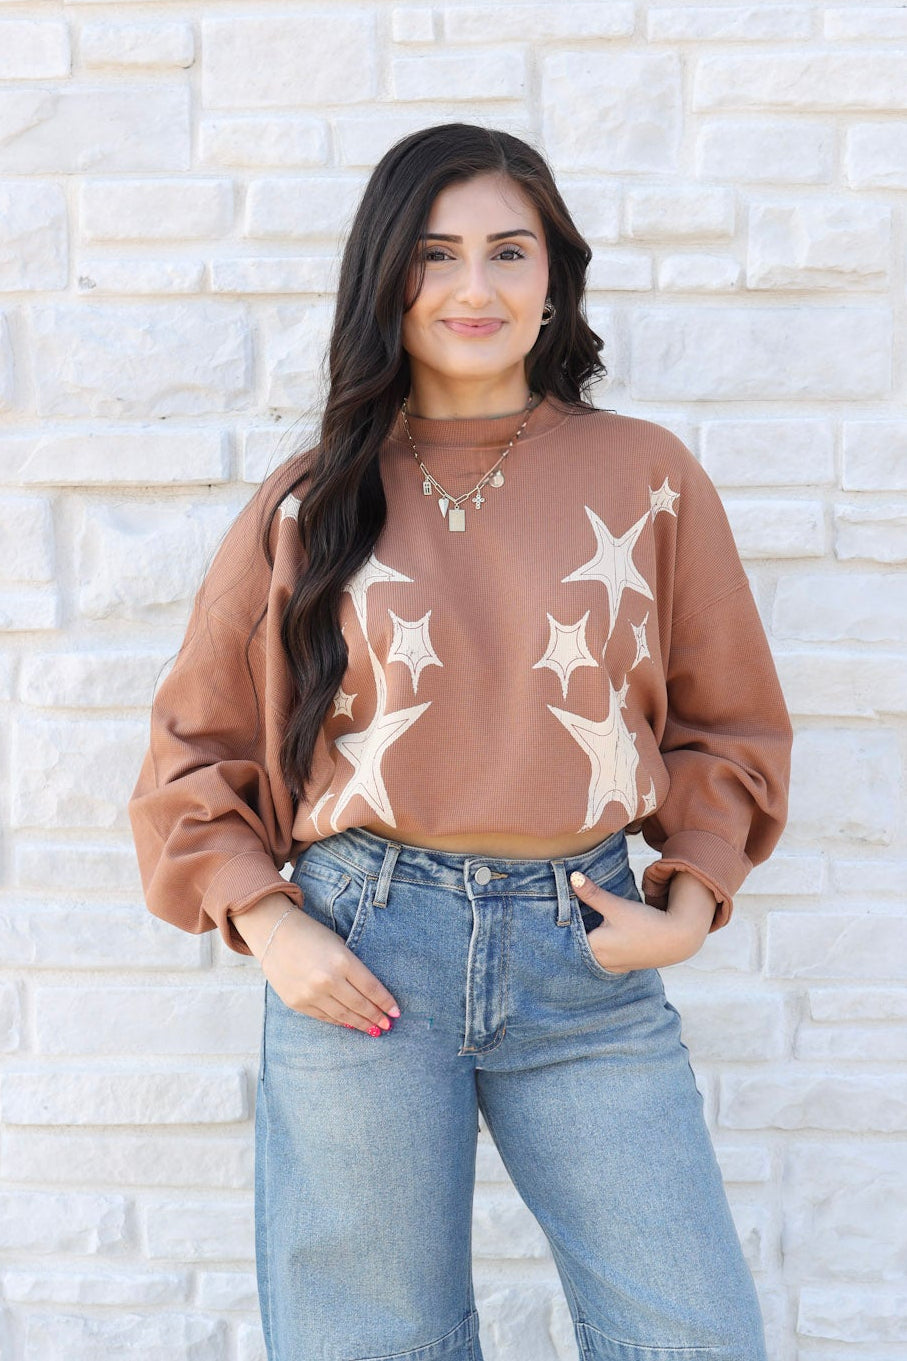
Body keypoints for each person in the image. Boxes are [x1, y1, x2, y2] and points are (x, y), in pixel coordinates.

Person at [129, 123, 792, 1361]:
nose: (473, 287)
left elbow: (727, 719)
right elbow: (195, 748)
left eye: (508, 251)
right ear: (387, 276)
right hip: (363, 951)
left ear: (554, 277)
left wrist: (692, 900)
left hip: (585, 955)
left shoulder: (645, 473)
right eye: (435, 254)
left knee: (690, 1331)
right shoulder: (311, 497)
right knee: (373, 1342)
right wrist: (270, 925)